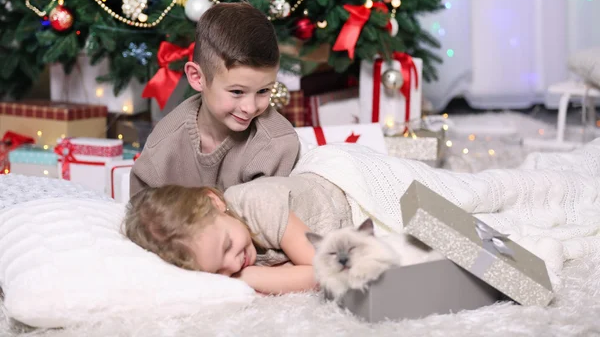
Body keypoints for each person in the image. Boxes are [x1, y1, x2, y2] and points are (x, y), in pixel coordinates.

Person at [124, 141, 600, 294]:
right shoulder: (227, 234)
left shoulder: (257, 202)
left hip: (362, 185)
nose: (234, 262)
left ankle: (574, 181)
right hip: (355, 216)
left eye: (228, 246)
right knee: (458, 238)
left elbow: (322, 270)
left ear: (216, 201)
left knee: (475, 196)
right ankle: (535, 249)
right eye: (220, 268)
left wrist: (256, 281)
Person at [129, 2, 300, 198]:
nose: (250, 107)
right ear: (197, 77)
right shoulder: (165, 143)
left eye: (263, 90)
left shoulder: (276, 144)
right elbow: (141, 212)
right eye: (237, 92)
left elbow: (268, 218)